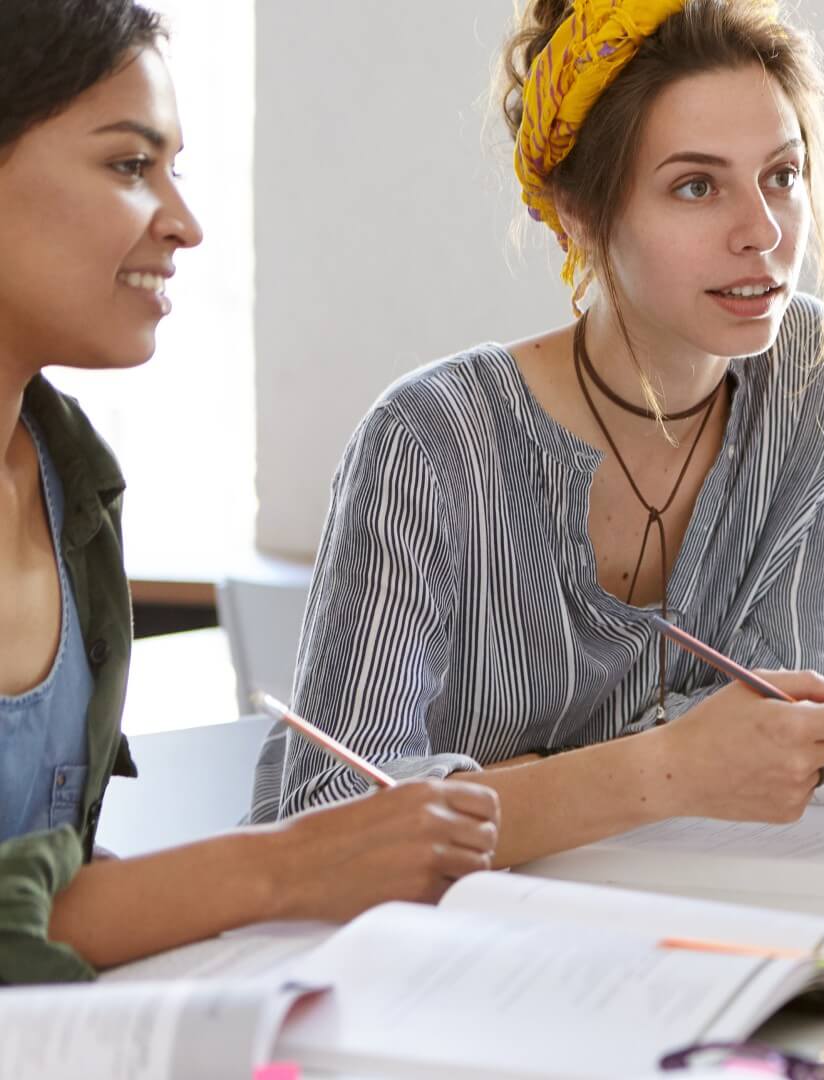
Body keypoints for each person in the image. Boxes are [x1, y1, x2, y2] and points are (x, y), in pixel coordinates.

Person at [251, 0, 824, 869]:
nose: (762, 233)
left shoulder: (802, 373)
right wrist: (666, 768)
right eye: (696, 186)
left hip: (671, 922)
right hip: (419, 965)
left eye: (782, 175)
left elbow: (772, 742)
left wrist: (523, 784)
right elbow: (338, 821)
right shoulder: (431, 442)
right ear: (578, 216)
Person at [0, 0, 500, 985]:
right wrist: (289, 866)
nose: (184, 223)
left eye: (173, 168)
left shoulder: (72, 483)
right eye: (128, 165)